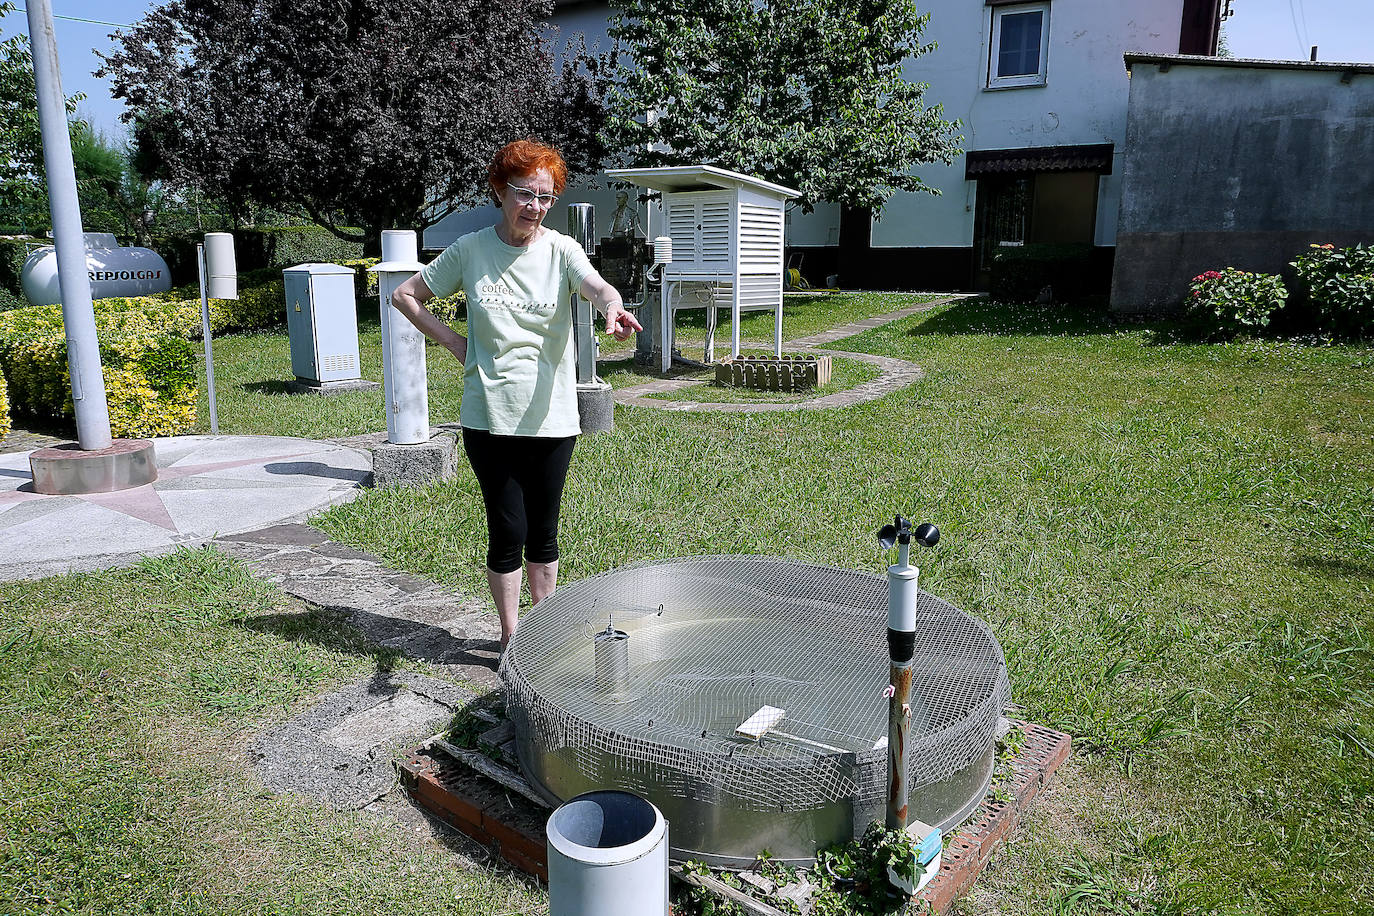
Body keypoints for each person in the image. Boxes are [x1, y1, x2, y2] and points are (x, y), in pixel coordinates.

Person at [390, 139, 642, 651]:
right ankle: (510, 637)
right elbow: (404, 296)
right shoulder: (471, 249)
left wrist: (612, 307)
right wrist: (458, 344)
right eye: (525, 193)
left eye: (546, 198)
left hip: (551, 417)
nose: (535, 206)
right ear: (500, 190)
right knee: (507, 527)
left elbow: (597, 288)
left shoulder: (562, 249)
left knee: (543, 530)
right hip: (488, 415)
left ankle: (540, 638)